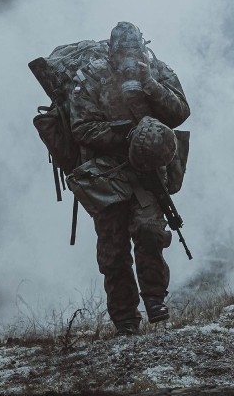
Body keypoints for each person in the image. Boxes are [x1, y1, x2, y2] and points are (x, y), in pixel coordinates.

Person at [67, 22, 190, 336]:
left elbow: (179, 113)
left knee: (150, 235)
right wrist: (125, 134)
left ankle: (156, 305)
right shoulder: (92, 78)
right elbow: (81, 128)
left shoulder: (157, 71)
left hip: (149, 170)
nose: (129, 58)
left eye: (134, 51)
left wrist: (150, 84)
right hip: (107, 171)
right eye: (123, 52)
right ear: (111, 51)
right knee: (113, 248)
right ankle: (125, 320)